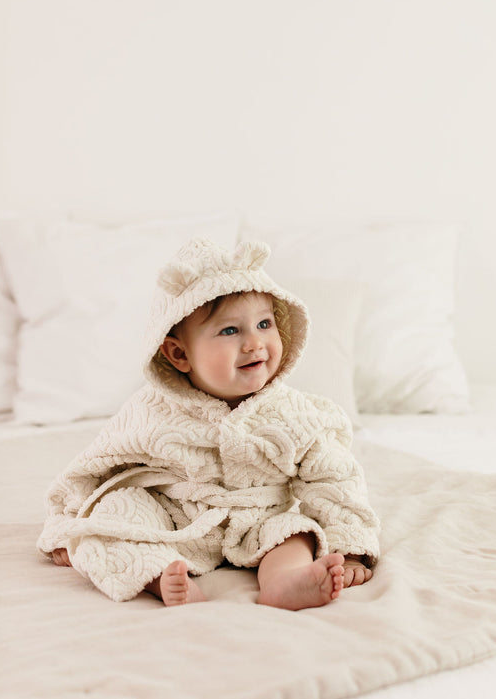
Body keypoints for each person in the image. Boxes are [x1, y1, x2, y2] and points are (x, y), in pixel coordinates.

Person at [39, 238, 380, 611]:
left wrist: (350, 547)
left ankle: (285, 580)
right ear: (179, 354)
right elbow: (97, 465)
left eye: (264, 323)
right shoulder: (153, 409)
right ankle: (161, 576)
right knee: (115, 513)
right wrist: (66, 524)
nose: (254, 343)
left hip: (258, 522)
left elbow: (335, 480)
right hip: (175, 519)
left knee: (296, 533)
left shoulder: (296, 413)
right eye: (230, 331)